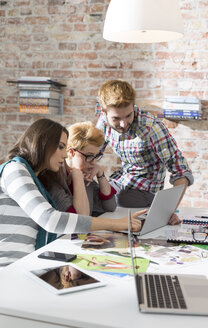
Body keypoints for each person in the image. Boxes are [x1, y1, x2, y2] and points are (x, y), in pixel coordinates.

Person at [0, 118, 145, 268]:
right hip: (9, 268)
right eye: (61, 147)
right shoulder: (14, 170)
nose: (64, 155)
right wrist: (117, 224)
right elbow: (50, 219)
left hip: (26, 263)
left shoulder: (35, 177)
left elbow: (108, 205)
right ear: (43, 143)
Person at [96, 80, 194, 218]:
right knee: (91, 194)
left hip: (145, 192)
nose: (123, 124)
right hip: (122, 182)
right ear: (104, 112)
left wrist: (169, 211)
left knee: (105, 203)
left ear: (133, 106)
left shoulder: (151, 128)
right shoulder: (104, 121)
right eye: (116, 118)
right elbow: (92, 153)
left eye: (129, 115)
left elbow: (181, 171)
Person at [47, 121, 116, 217]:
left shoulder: (85, 172)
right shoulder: (55, 177)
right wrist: (77, 177)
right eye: (89, 156)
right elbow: (80, 219)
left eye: (96, 156)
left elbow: (110, 206)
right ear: (71, 152)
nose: (94, 162)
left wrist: (100, 174)